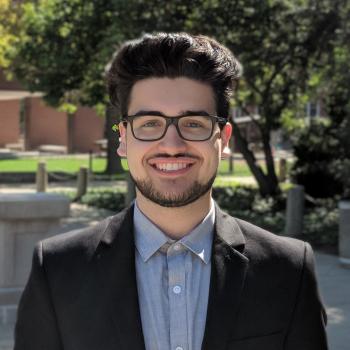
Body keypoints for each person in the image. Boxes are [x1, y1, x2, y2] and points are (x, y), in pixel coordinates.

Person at [14, 32, 328, 350]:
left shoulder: (289, 270)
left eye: (194, 123)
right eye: (149, 123)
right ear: (123, 138)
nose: (172, 146)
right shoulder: (57, 270)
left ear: (224, 138)